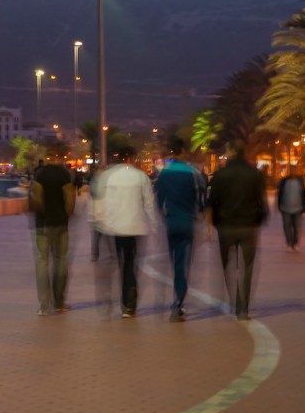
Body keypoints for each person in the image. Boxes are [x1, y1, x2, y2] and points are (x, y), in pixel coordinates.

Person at [91, 147, 158, 318]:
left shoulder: (107, 176)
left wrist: (98, 222)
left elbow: (98, 201)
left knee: (119, 263)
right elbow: (149, 203)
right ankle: (129, 305)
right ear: (131, 159)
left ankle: (112, 301)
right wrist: (154, 224)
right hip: (134, 227)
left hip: (114, 227)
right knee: (130, 264)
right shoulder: (140, 176)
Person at [208, 140, 269, 321]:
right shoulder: (254, 175)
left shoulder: (220, 175)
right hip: (249, 226)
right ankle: (243, 308)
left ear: (231, 153)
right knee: (247, 266)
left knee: (229, 265)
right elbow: (262, 202)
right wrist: (259, 220)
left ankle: (234, 301)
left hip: (226, 227)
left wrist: (213, 225)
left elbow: (212, 202)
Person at [154, 137, 207, 322]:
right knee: (184, 264)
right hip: (187, 223)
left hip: (172, 223)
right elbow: (201, 201)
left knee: (175, 262)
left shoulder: (164, 174)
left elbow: (159, 202)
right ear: (183, 151)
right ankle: (178, 303)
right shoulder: (193, 173)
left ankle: (177, 299)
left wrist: (165, 218)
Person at [31, 155, 75, 315]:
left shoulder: (39, 175)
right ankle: (59, 302)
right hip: (61, 224)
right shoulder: (65, 175)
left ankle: (44, 306)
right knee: (61, 261)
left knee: (42, 261)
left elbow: (36, 200)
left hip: (43, 224)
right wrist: (65, 215)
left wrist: (42, 214)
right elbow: (70, 202)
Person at [276, 163, 305, 251]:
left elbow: (304, 193)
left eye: (294, 170)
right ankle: (289, 243)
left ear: (296, 171)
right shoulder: (284, 181)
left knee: (297, 226)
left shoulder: (300, 181)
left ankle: (296, 243)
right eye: (290, 170)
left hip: (298, 208)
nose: (292, 172)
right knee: (287, 226)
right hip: (285, 207)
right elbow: (279, 193)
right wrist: (278, 204)